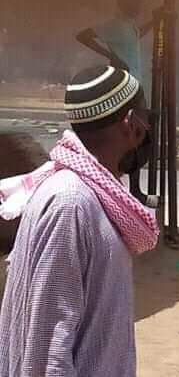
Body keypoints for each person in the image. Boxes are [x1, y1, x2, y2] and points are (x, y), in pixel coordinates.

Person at [0, 66, 160, 375]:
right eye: (144, 116)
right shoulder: (70, 204)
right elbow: (48, 349)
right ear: (132, 125)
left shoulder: (92, 197)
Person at [77, 0, 157, 208]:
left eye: (138, 2)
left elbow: (137, 35)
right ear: (123, 2)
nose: (137, 6)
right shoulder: (112, 25)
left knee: (139, 139)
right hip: (123, 90)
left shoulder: (129, 26)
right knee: (127, 138)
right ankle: (122, 190)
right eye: (134, 2)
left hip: (136, 86)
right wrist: (110, 55)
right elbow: (82, 35)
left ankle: (134, 191)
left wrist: (155, 21)